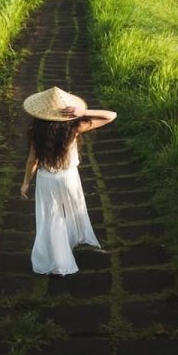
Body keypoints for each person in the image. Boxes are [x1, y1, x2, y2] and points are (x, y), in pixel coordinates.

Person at [20, 87, 117, 275]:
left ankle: (59, 261)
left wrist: (25, 183)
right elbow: (111, 115)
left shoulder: (36, 132)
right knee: (72, 210)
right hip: (69, 178)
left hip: (47, 180)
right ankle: (70, 241)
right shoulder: (74, 128)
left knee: (51, 218)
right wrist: (84, 112)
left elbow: (32, 161)